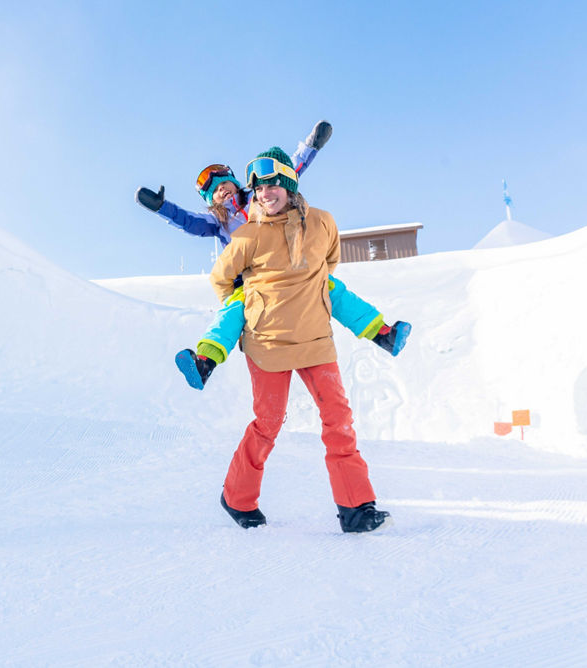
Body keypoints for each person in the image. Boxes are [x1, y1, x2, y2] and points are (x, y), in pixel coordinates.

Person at [135, 122, 410, 390]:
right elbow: (187, 221)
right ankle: (205, 362)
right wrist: (162, 208)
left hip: (287, 267)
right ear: (211, 202)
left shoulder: (260, 196)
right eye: (214, 191)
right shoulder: (217, 222)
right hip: (252, 280)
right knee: (233, 310)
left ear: (235, 182)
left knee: (331, 290)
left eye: (224, 184)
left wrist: (311, 145)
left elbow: (290, 169)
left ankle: (384, 334)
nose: (222, 190)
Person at [210, 147, 391, 533]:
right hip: (267, 342)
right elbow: (221, 280)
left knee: (338, 420)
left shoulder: (323, 223)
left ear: (289, 185)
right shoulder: (246, 236)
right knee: (268, 423)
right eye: (259, 188)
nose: (266, 193)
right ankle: (237, 498)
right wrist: (251, 299)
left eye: (274, 183)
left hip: (315, 339)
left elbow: (329, 266)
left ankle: (357, 508)